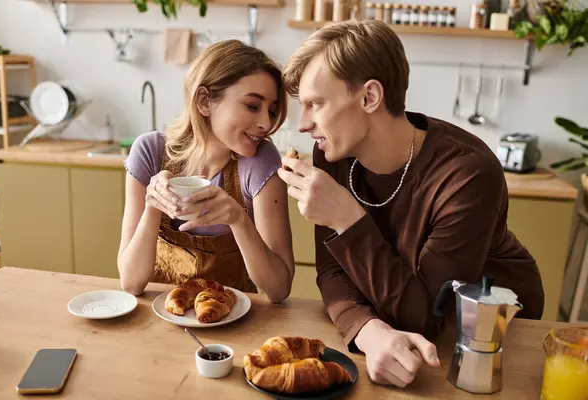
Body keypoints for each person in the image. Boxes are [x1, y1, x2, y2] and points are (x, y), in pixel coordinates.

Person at [278, 20, 544, 388]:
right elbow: (333, 272)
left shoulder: (467, 173)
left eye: (315, 104)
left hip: (488, 338)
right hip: (399, 335)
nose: (304, 124)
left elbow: (425, 318)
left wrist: (349, 220)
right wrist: (370, 333)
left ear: (370, 97)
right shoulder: (333, 153)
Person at [118, 40, 295, 303]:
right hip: (158, 325)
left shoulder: (261, 161)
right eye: (252, 106)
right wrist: (154, 204)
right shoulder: (150, 153)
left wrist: (239, 219)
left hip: (235, 326)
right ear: (204, 101)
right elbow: (131, 283)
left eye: (271, 110)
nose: (267, 124)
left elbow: (279, 290)